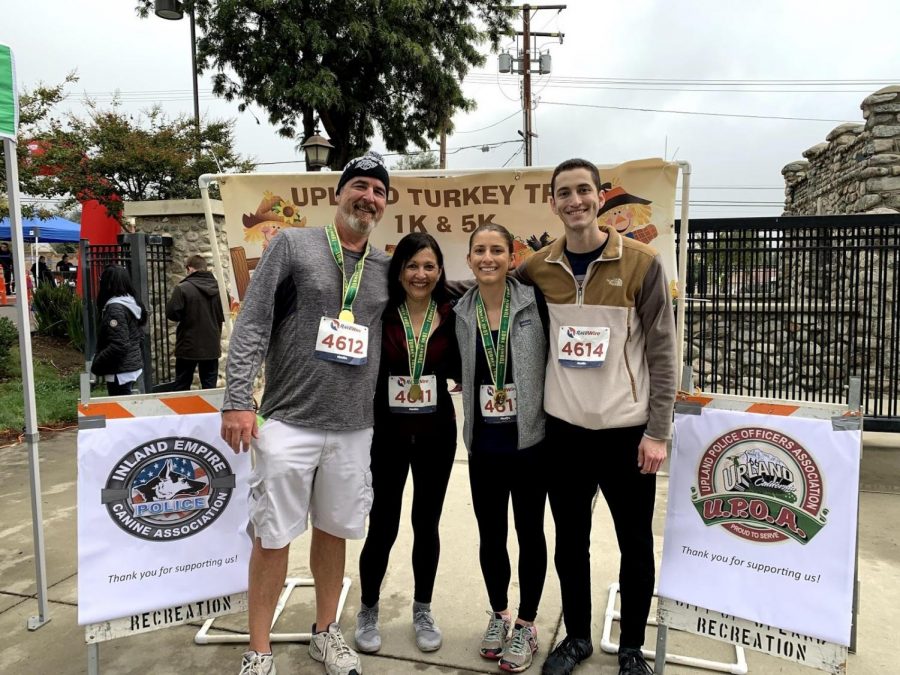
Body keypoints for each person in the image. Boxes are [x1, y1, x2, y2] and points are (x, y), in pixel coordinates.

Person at [220, 151, 392, 675]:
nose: (368, 196)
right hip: (287, 420)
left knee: (334, 531)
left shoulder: (385, 267)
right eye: (359, 185)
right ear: (338, 193)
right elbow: (253, 320)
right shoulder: (293, 245)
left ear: (385, 204)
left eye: (379, 190)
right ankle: (259, 649)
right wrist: (236, 398)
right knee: (272, 535)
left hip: (353, 426)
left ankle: (325, 633)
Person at [512, 159, 676, 675]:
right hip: (564, 433)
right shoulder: (537, 267)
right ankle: (578, 636)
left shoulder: (644, 263)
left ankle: (631, 649)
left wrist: (657, 431)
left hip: (627, 434)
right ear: (553, 202)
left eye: (584, 190)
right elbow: (492, 297)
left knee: (634, 543)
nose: (575, 200)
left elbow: (664, 352)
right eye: (565, 193)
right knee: (571, 541)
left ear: (599, 198)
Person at [355, 233, 459, 656]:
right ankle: (367, 608)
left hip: (437, 433)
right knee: (383, 523)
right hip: (388, 434)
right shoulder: (380, 313)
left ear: (439, 271)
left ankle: (422, 608)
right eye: (412, 266)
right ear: (399, 270)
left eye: (429, 266)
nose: (421, 274)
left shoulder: (453, 313)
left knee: (426, 523)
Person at [455, 224, 549, 674]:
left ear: (512, 257)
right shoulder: (459, 310)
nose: (487, 257)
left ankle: (527, 623)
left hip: (529, 441)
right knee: (491, 534)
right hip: (484, 444)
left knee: (530, 533)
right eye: (479, 251)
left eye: (496, 250)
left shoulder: (535, 303)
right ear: (469, 259)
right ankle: (499, 614)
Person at [166, 254, 225, 390]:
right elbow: (225, 314)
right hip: (211, 345)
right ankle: (209, 411)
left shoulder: (183, 288)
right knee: (209, 387)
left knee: (182, 386)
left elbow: (172, 314)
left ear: (190, 269)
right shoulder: (220, 289)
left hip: (188, 345)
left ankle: (183, 411)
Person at [90, 265, 147, 396]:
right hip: (129, 367)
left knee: (121, 411)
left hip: (120, 371)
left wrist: (97, 364)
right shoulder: (131, 303)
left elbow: (119, 345)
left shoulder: (115, 308)